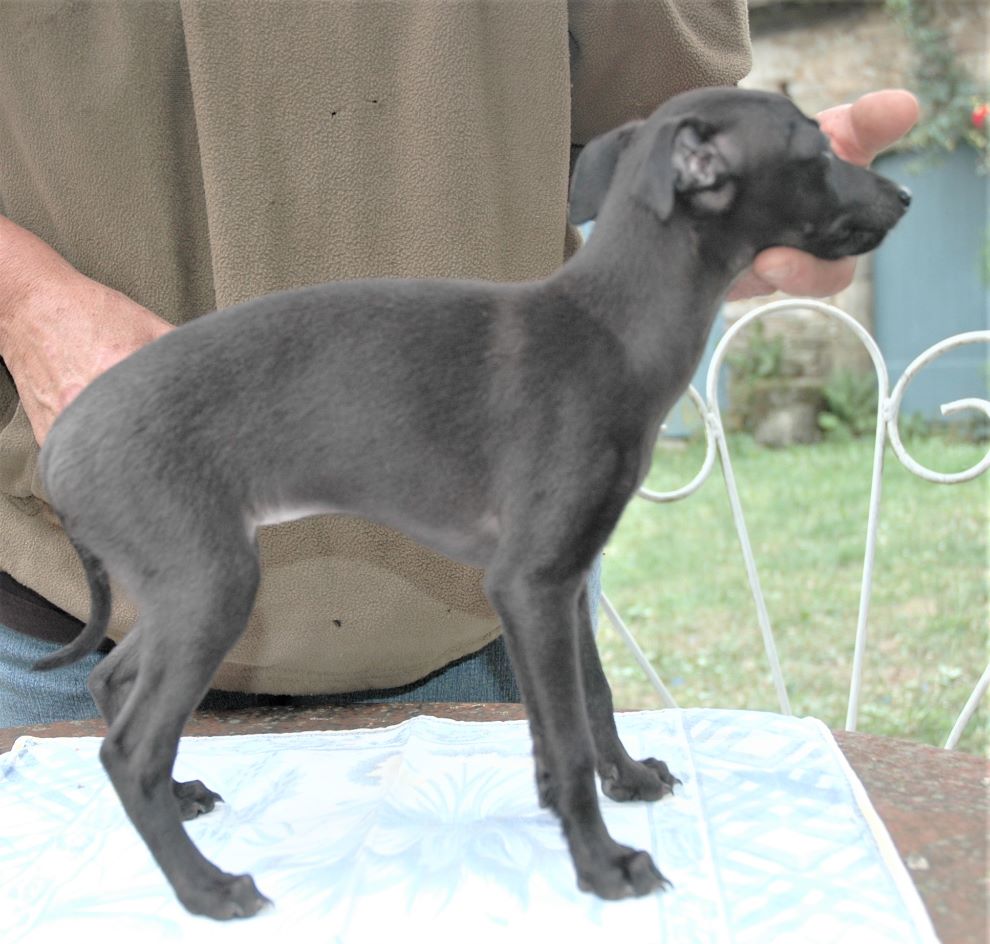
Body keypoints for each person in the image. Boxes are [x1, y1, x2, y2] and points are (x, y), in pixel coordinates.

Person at [0, 1, 917, 728]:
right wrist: (26, 302)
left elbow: (642, 129)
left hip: (477, 645)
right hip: (63, 626)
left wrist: (753, 205)